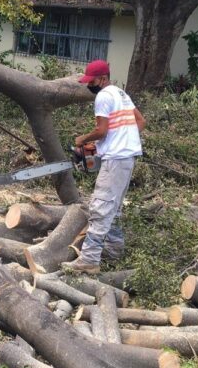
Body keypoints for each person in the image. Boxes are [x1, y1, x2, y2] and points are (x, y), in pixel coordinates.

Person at [62, 60, 145, 274]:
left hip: (116, 159)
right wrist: (114, 143)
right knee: (114, 207)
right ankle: (114, 252)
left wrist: (83, 140)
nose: (89, 85)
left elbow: (101, 130)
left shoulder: (103, 96)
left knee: (100, 206)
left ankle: (89, 259)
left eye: (92, 81)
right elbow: (140, 122)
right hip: (127, 158)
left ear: (103, 79)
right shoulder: (121, 94)